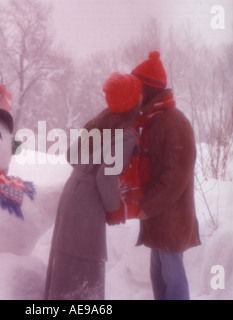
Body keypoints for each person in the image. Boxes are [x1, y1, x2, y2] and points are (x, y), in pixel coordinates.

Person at [44, 73, 142, 300]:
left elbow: (71, 155)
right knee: (83, 266)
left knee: (65, 260)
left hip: (71, 194)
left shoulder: (100, 122)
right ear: (133, 102)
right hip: (88, 203)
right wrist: (114, 207)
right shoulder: (126, 134)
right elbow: (106, 177)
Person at [130, 51, 201, 300]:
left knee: (172, 274)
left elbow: (176, 178)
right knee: (158, 274)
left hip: (171, 217)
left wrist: (147, 207)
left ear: (148, 89)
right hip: (159, 218)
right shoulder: (150, 120)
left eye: (137, 88)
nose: (134, 94)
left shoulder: (174, 123)